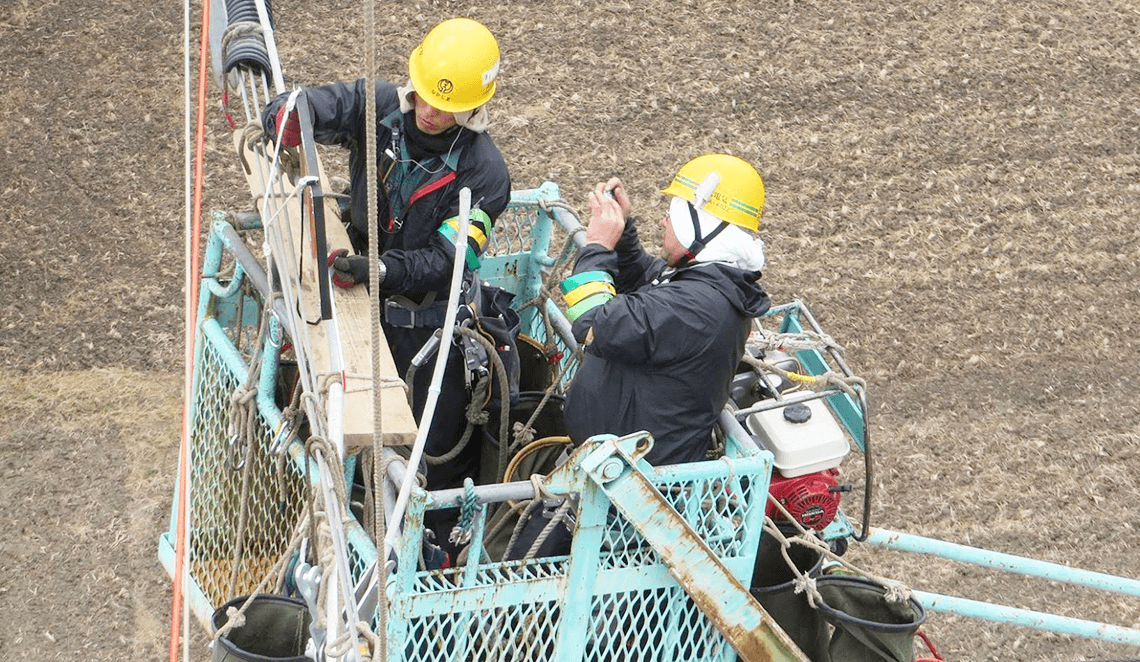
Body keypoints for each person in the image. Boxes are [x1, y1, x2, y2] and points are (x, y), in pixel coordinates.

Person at [261, 17, 512, 554]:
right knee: (349, 442)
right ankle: (344, 544)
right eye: (423, 94)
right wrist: (284, 116)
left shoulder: (485, 175)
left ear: (472, 108)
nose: (427, 110)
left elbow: (450, 259)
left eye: (444, 106)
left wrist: (380, 271)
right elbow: (314, 107)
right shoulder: (377, 108)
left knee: (428, 454)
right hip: (364, 310)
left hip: (428, 333)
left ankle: (426, 563)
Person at [503, 154, 771, 559]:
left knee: (527, 575)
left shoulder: (695, 307)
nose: (664, 221)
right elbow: (648, 283)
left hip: (626, 500)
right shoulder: (703, 283)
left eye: (672, 213)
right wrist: (625, 233)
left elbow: (594, 322)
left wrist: (596, 245)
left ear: (702, 229)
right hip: (609, 476)